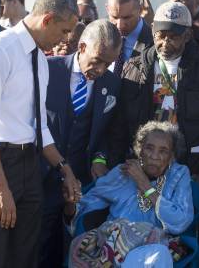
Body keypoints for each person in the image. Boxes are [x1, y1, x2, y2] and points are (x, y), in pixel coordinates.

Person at [0, 0, 82, 268]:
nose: (67, 39)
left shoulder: (40, 60)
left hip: (29, 164)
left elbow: (39, 127)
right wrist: (0, 188)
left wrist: (64, 169)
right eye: (64, 30)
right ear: (48, 20)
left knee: (26, 258)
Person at [111, 1, 199, 195]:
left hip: (192, 171)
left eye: (174, 37)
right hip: (143, 171)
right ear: (153, 31)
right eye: (161, 36)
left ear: (187, 36)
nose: (166, 43)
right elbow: (118, 124)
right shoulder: (133, 68)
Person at [40, 19, 121, 268]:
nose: (101, 68)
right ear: (82, 47)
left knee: (72, 246)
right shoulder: (47, 69)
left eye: (108, 63)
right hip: (40, 177)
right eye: (97, 60)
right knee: (39, 246)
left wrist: (99, 158)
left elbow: (109, 132)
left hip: (80, 182)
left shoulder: (111, 83)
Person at [66, 121, 194, 267]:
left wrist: (144, 185)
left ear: (172, 157)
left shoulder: (178, 175)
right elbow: (82, 209)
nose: (154, 156)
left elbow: (181, 221)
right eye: (149, 148)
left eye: (163, 151)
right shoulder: (123, 173)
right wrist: (71, 202)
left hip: (155, 249)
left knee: (159, 254)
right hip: (115, 246)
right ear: (140, 150)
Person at [106, 0, 153, 77]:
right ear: (107, 9)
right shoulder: (101, 39)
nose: (120, 25)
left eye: (127, 18)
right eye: (114, 17)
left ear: (140, 10)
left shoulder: (154, 42)